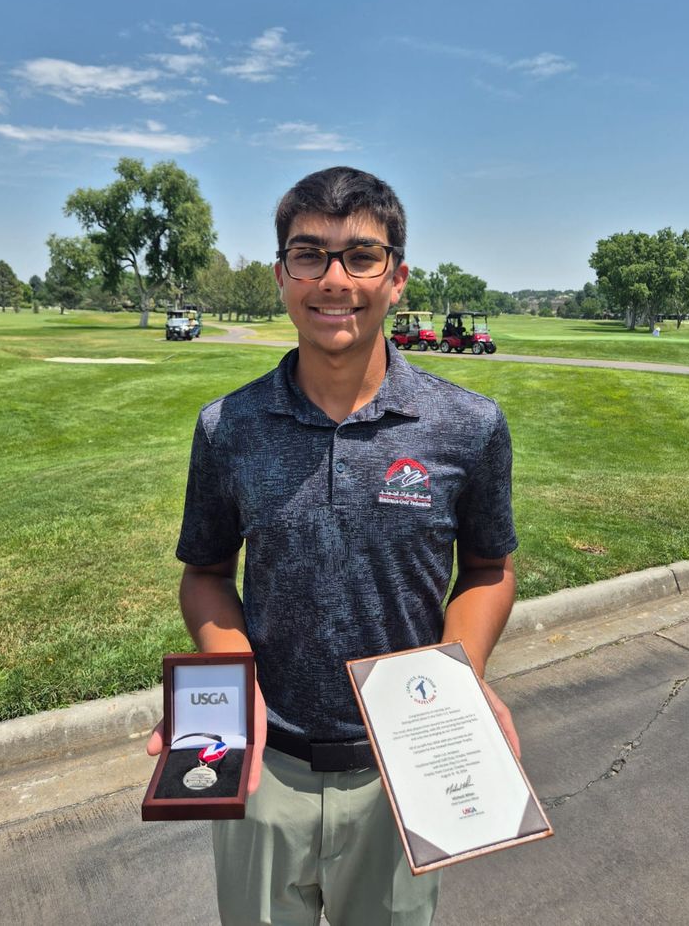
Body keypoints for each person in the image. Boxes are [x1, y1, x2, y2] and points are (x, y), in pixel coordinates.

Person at [148, 166, 519, 925]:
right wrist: (229, 683)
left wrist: (458, 682)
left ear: (398, 278)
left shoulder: (468, 426)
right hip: (263, 768)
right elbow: (207, 574)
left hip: (401, 775)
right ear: (282, 274)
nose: (335, 279)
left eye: (362, 255)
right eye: (309, 254)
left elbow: (488, 568)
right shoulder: (229, 428)